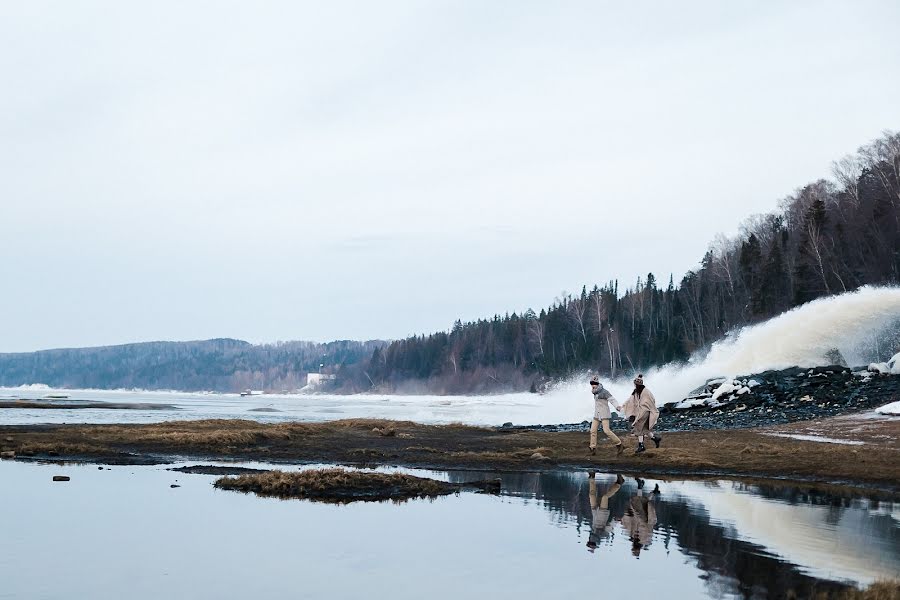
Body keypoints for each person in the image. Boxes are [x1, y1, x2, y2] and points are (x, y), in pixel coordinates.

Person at [622, 374, 661, 454]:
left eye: (636, 384)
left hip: (644, 412)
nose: (635, 385)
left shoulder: (646, 392)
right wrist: (623, 406)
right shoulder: (636, 392)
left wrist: (644, 409)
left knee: (639, 428)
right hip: (640, 412)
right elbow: (630, 400)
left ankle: (641, 446)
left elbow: (650, 401)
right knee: (645, 429)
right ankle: (655, 439)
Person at [586, 472, 624, 552]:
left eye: (590, 542)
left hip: (594, 512)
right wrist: (616, 520)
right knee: (605, 497)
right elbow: (609, 527)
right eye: (592, 543)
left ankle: (592, 477)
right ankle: (619, 483)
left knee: (591, 495)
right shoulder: (603, 535)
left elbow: (592, 523)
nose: (591, 540)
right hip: (603, 514)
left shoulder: (592, 532)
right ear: (595, 543)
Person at [589, 376, 624, 456]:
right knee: (593, 431)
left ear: (597, 383)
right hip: (597, 414)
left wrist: (617, 406)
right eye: (591, 383)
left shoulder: (604, 392)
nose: (593, 385)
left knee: (606, 431)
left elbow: (612, 399)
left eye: (594, 383)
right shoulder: (594, 392)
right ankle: (592, 448)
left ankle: (619, 444)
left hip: (604, 413)